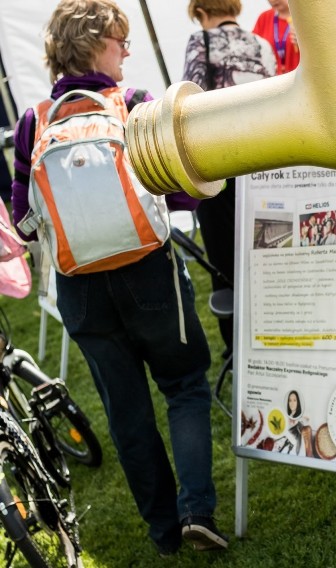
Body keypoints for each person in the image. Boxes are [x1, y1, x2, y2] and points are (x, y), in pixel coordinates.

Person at [11, 0, 227, 556]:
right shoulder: (132, 106)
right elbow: (179, 190)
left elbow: (23, 220)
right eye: (119, 41)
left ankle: (162, 533)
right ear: (91, 45)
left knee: (127, 412)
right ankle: (196, 511)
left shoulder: (34, 120)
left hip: (81, 289)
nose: (127, 50)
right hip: (147, 272)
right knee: (184, 386)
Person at [182, 0, 276, 356]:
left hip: (220, 169)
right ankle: (271, 334)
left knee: (226, 267)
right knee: (266, 255)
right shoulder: (262, 45)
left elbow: (190, 104)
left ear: (201, 12)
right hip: (264, 164)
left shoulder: (200, 42)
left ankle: (237, 347)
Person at [252, 0, 300, 75]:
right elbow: (254, 49)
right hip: (274, 80)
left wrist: (305, 42)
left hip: (300, 78)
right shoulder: (264, 17)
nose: (273, 0)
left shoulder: (304, 17)